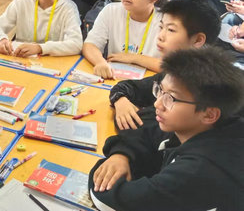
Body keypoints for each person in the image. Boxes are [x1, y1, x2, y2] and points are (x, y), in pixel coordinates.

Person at [89, 48, 244, 211]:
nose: (158, 103)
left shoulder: (197, 171)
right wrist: (122, 155)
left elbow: (108, 201)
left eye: (170, 98)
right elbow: (148, 129)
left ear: (209, 114)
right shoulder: (195, 126)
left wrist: (106, 171)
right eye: (160, 91)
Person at [109, 0, 220, 131]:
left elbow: (140, 127)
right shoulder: (175, 72)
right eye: (161, 27)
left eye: (171, 30)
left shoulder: (199, 86)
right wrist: (120, 100)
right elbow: (125, 87)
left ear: (198, 40)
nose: (160, 36)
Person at [82, 0, 165, 78]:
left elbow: (173, 66)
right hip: (114, 77)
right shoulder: (111, 10)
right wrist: (100, 62)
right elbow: (90, 45)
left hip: (149, 81)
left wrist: (134, 58)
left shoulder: (166, 21)